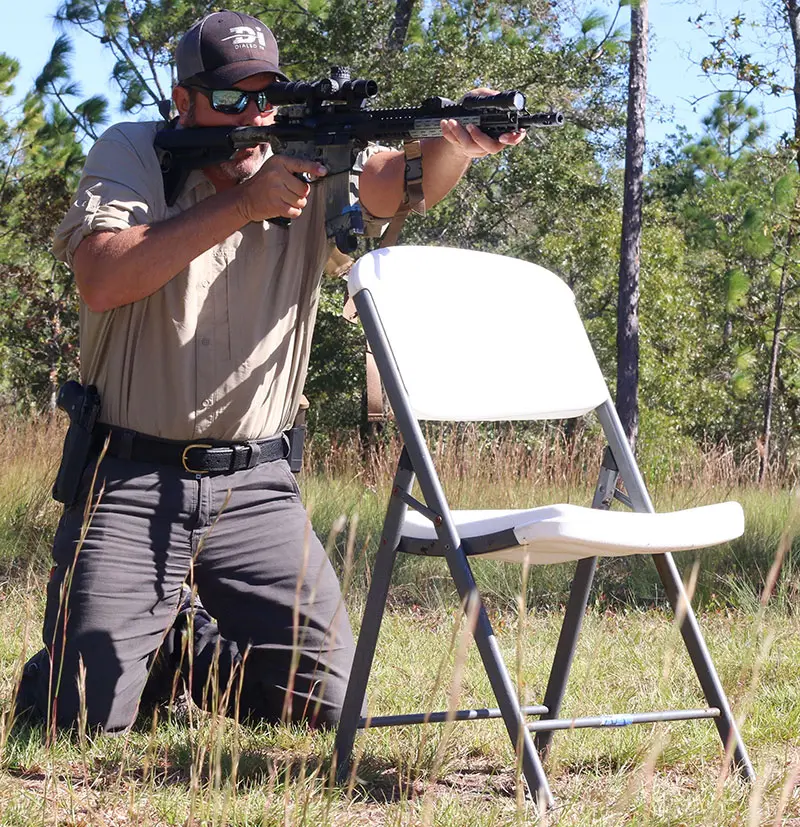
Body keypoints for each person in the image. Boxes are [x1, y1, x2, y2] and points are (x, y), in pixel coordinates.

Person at [15, 9, 525, 733]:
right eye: (230, 99)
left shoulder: (308, 161)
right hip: (130, 477)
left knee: (328, 707)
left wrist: (459, 145)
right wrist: (243, 204)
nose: (253, 114)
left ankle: (187, 647)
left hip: (256, 489)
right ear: (182, 100)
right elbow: (102, 276)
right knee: (78, 719)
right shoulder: (135, 150)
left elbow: (397, 181)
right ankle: (125, 652)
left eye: (266, 97)